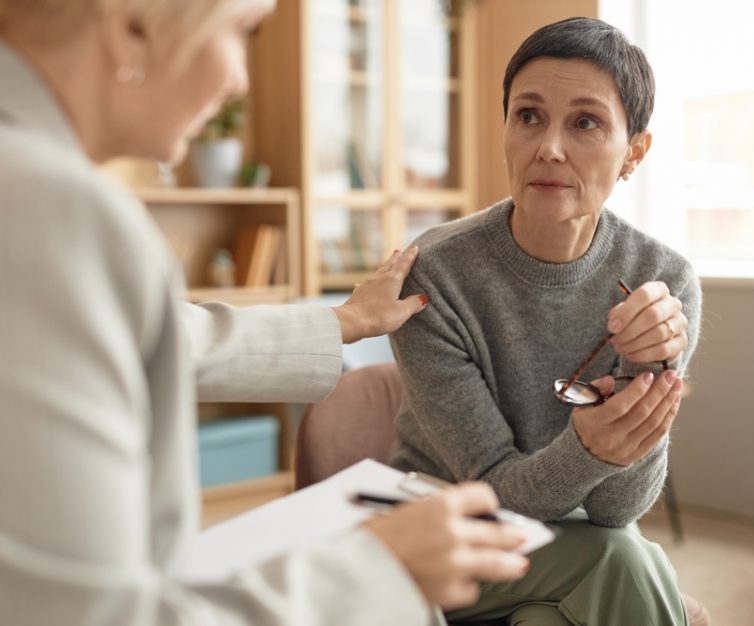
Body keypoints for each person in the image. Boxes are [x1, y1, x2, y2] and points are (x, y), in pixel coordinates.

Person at [0, 1, 531, 625]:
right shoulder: (58, 214)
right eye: (240, 32)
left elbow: (172, 335)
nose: (240, 81)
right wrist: (376, 571)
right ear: (132, 25)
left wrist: (345, 322)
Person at [389, 17, 707, 626]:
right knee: (622, 560)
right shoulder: (433, 275)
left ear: (633, 153)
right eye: (528, 116)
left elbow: (619, 507)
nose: (549, 148)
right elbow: (494, 492)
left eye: (585, 122)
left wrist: (648, 365)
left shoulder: (661, 281)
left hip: (577, 545)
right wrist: (590, 447)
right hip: (448, 540)